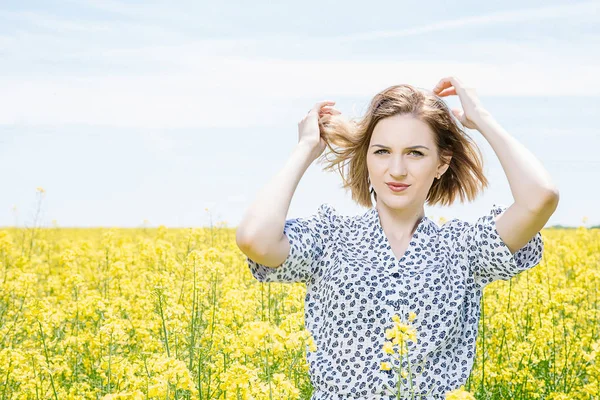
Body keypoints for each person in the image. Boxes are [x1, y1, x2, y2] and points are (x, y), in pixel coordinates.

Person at [235, 76, 559, 399]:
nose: (397, 170)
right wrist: (306, 148)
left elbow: (540, 197)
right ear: (366, 158)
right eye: (381, 152)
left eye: (415, 153)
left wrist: (483, 120)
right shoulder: (330, 238)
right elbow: (254, 239)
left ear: (441, 163)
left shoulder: (464, 249)